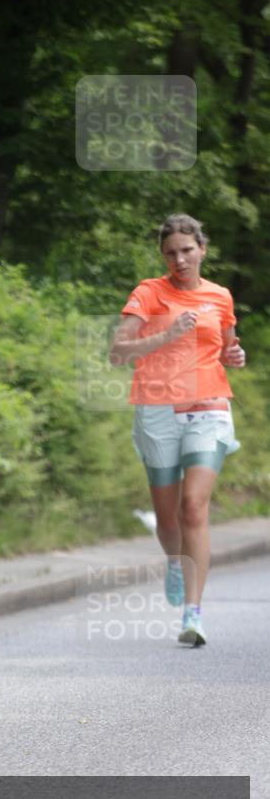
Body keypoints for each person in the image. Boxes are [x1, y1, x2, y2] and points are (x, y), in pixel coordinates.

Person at [110, 214, 245, 647]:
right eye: (171, 252)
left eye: (187, 250)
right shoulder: (148, 293)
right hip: (157, 410)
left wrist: (234, 356)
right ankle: (174, 560)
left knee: (193, 506)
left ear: (202, 249)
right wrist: (165, 334)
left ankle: (194, 611)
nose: (179, 259)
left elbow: (225, 348)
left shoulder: (220, 296)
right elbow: (118, 352)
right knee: (168, 517)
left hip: (208, 406)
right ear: (162, 256)